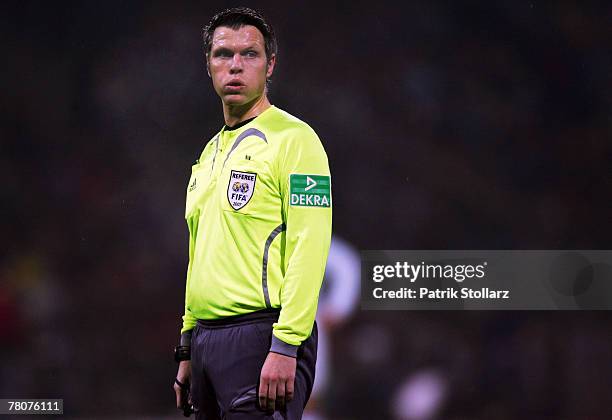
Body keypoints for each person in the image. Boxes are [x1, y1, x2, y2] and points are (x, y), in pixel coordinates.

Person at [172, 7, 332, 419]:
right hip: (206, 344)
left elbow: (310, 245)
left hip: (263, 338)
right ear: (208, 66)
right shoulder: (209, 153)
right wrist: (188, 346)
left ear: (271, 64)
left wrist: (286, 344)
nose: (236, 65)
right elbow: (199, 254)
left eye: (250, 54)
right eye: (223, 54)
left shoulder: (297, 141)